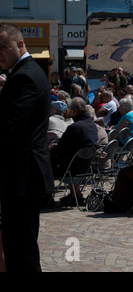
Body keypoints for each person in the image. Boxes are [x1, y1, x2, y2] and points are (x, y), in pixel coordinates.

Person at [0, 23, 54, 272]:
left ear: (20, 44)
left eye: (3, 47)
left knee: (20, 251)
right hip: (24, 174)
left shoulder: (24, 75)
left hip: (23, 175)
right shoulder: (26, 71)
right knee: (20, 247)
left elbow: (11, 128)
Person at [50, 97, 98, 205]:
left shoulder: (75, 127)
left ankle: (47, 196)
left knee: (47, 162)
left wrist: (53, 148)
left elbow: (61, 149)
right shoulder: (92, 125)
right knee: (70, 158)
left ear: (73, 111)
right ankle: (75, 194)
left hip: (72, 167)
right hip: (85, 164)